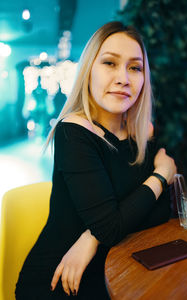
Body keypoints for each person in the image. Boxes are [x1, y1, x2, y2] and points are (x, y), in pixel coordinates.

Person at [15, 21, 177, 299]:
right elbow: (111, 227)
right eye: (110, 63)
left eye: (135, 67)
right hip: (61, 279)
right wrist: (161, 175)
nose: (124, 78)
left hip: (124, 267)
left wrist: (91, 237)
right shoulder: (73, 131)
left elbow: (161, 213)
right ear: (88, 70)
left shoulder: (145, 134)